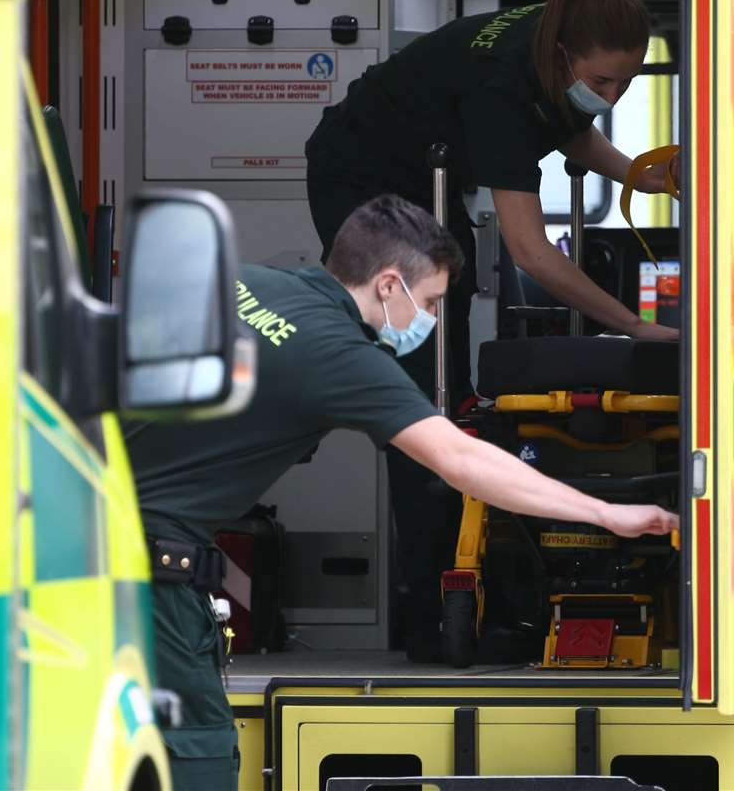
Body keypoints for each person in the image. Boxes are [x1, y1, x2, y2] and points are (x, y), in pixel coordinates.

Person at [127, 194, 678, 789]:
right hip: (148, 579)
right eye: (434, 301)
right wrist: (604, 511)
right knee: (195, 756)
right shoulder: (337, 353)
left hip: (70, 533)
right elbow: (460, 460)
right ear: (389, 285)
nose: (433, 320)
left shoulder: (246, 281)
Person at [303, 0, 679, 658]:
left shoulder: (556, 38)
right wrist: (632, 327)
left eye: (628, 81)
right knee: (416, 403)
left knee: (456, 316)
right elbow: (533, 250)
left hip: (424, 187)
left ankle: (481, 572)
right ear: (565, 52)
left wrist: (642, 175)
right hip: (361, 178)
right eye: (603, 79)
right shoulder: (500, 87)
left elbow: (569, 126)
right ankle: (429, 616)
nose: (615, 94)